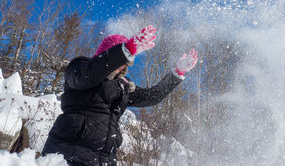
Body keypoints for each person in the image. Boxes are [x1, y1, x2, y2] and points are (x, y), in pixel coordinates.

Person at [42, 25, 198, 166]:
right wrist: (127, 49)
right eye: (123, 57)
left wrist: (177, 74)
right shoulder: (80, 68)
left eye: (127, 60)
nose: (123, 64)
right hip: (68, 155)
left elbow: (151, 96)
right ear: (108, 54)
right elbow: (92, 73)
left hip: (105, 160)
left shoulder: (122, 86)